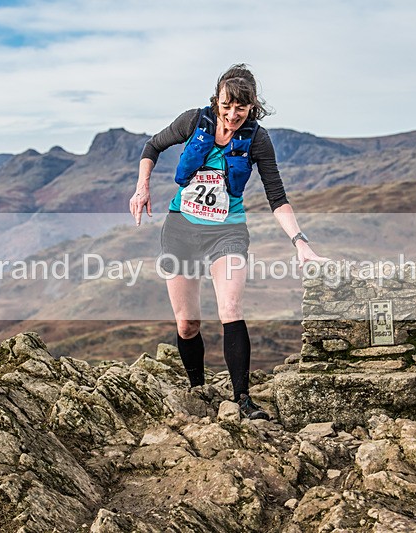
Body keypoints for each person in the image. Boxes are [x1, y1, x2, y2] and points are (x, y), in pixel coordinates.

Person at [130, 64, 325, 420]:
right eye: (226, 106)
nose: (232, 114)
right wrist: (142, 186)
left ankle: (244, 400)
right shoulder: (193, 121)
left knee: (230, 310)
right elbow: (152, 146)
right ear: (216, 101)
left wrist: (300, 242)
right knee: (187, 324)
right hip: (181, 229)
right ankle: (196, 390)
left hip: (228, 231)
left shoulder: (257, 139)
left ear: (253, 106)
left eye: (241, 108)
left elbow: (276, 197)